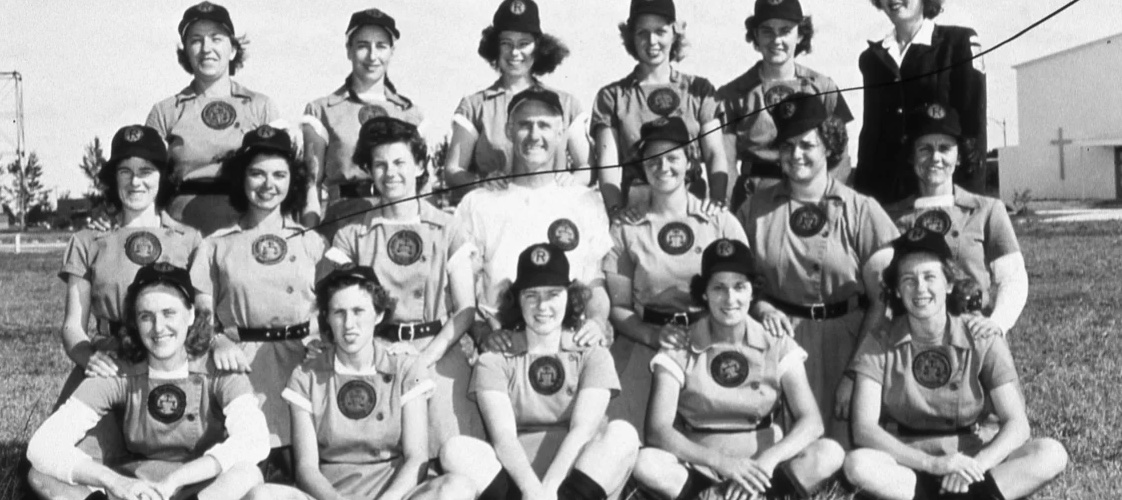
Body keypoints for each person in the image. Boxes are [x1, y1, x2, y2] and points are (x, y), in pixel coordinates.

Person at [843, 228, 1068, 500]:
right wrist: (933, 464)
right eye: (908, 280)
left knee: (1050, 453)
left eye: (930, 277)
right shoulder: (879, 341)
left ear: (949, 284)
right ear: (897, 291)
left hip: (972, 458)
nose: (920, 288)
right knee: (858, 464)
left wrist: (975, 467)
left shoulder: (981, 336)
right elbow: (863, 429)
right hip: (909, 462)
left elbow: (1017, 423)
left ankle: (964, 492)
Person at [27, 263, 269, 500]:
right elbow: (43, 444)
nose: (158, 327)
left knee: (248, 474)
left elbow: (253, 440)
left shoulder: (219, 369)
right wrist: (115, 482)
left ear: (191, 314)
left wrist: (175, 481)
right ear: (134, 321)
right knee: (40, 475)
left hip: (199, 486)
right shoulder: (117, 370)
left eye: (169, 313)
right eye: (146, 316)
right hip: (133, 488)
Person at [735, 93, 898, 445]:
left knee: (848, 452)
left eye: (807, 144)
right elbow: (736, 281)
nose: (796, 155)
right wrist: (761, 306)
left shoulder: (862, 210)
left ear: (828, 146)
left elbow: (883, 301)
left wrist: (856, 374)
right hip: (780, 344)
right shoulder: (755, 210)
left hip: (848, 342)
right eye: (787, 146)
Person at [634, 238, 844, 499]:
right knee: (647, 463)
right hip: (704, 467)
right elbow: (658, 430)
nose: (730, 298)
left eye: (739, 287)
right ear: (704, 292)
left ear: (752, 292)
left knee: (829, 453)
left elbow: (811, 422)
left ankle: (752, 494)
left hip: (763, 467)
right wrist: (721, 463)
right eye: (719, 288)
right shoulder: (681, 344)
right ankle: (712, 494)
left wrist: (767, 462)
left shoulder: (775, 341)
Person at [244, 265, 472, 500]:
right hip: (331, 496)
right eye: (339, 313)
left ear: (379, 314)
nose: (349, 324)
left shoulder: (405, 368)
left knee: (457, 487)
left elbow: (417, 458)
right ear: (327, 318)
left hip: (395, 496)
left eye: (359, 311)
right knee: (261, 495)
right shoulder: (306, 376)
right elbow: (306, 468)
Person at [328, 116, 483, 456]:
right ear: (369, 171)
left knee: (453, 455)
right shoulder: (352, 235)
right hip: (378, 355)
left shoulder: (447, 228)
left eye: (400, 162)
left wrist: (424, 358)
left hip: (437, 353)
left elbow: (467, 309)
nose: (391, 173)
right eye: (379, 165)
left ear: (419, 165)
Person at [440, 243, 640, 500]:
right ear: (517, 300)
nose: (542, 306)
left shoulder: (591, 352)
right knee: (454, 450)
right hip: (518, 482)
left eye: (553, 294)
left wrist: (551, 491)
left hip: (573, 479)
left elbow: (583, 430)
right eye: (531, 295)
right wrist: (532, 491)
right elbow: (504, 438)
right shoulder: (495, 358)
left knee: (623, 434)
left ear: (570, 297)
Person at [53, 125, 203, 465]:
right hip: (108, 364)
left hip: (165, 361)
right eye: (125, 171)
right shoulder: (88, 240)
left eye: (146, 171)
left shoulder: (187, 239)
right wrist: (89, 358)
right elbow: (71, 326)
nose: (136, 182)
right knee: (63, 462)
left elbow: (201, 315)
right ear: (112, 178)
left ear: (163, 177)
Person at [190, 125, 327, 473]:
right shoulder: (215, 245)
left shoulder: (311, 241)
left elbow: (331, 309)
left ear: (292, 181)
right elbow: (201, 315)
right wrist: (218, 341)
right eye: (257, 174)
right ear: (241, 178)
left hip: (302, 365)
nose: (269, 185)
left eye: (280, 175)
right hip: (243, 367)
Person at [603, 116, 752, 435]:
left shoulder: (719, 222)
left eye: (673, 157)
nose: (663, 166)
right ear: (641, 166)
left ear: (689, 162)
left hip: (712, 340)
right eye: (653, 160)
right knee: (629, 437)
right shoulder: (626, 229)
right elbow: (618, 308)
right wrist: (652, 336)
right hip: (646, 343)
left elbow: (746, 292)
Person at [452, 88, 612, 353]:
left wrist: (596, 321)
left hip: (570, 344)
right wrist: (483, 334)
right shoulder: (478, 203)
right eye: (525, 125)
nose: (535, 135)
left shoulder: (585, 201)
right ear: (508, 130)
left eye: (545, 126)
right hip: (503, 344)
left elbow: (595, 283)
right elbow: (465, 293)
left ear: (560, 134)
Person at [886, 103, 1026, 338]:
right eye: (925, 149)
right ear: (911, 156)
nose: (935, 158)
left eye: (945, 148)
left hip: (973, 337)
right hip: (911, 341)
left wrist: (998, 323)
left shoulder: (987, 210)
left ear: (959, 156)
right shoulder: (890, 217)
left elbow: (1013, 278)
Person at [147, 1, 284, 235]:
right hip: (181, 228)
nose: (206, 48)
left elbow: (283, 174)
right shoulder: (165, 112)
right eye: (196, 40)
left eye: (216, 38)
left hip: (245, 226)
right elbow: (144, 174)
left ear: (232, 49)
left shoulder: (261, 107)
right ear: (186, 51)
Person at [444, 0, 590, 204]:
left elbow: (587, 166)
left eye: (524, 44)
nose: (514, 53)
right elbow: (452, 170)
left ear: (538, 48)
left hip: (553, 208)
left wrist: (571, 180)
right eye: (506, 43)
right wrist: (480, 183)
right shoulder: (475, 106)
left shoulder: (566, 104)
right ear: (495, 47)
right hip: (495, 209)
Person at [591, 0, 729, 213]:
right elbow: (607, 166)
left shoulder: (699, 91)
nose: (652, 41)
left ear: (674, 33)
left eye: (660, 31)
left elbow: (714, 153)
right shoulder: (612, 97)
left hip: (691, 204)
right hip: (637, 209)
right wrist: (616, 212)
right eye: (642, 33)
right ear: (631, 37)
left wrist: (718, 201)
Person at [716, 0, 854, 210]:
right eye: (767, 31)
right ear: (756, 35)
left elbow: (840, 155)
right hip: (756, 196)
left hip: (811, 195)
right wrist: (728, 209)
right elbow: (725, 160)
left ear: (800, 34)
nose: (776, 40)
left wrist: (827, 197)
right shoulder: (734, 94)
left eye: (785, 31)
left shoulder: (823, 87)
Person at [302, 8, 425, 239]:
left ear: (392, 51)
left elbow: (421, 185)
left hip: (397, 220)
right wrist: (311, 235)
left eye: (381, 46)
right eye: (362, 45)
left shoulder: (409, 113)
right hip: (343, 219)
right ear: (349, 50)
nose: (372, 55)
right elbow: (311, 184)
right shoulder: (322, 110)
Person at [854, 0, 987, 205]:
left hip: (942, 194)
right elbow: (871, 133)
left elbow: (974, 128)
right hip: (887, 199)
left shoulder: (958, 43)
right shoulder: (871, 59)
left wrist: (971, 201)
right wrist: (862, 199)